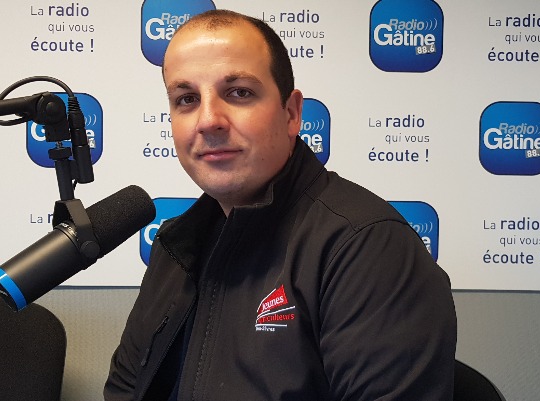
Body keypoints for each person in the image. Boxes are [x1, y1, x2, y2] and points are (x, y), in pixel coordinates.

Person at [105, 9, 456, 401]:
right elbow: (124, 390)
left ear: (291, 114)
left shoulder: (367, 248)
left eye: (239, 92)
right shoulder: (175, 245)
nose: (208, 120)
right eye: (186, 99)